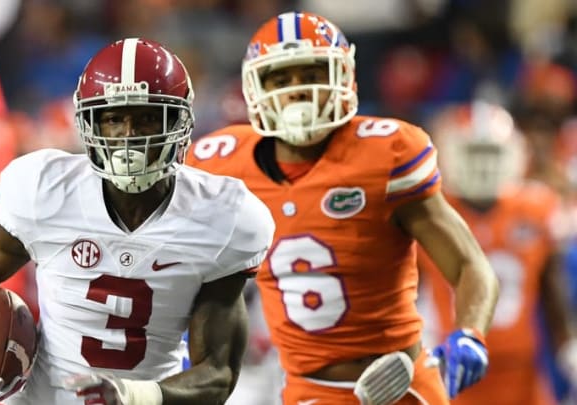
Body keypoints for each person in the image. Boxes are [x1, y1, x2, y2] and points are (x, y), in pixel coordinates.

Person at [0, 37, 275, 405]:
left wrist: (132, 396)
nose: (129, 136)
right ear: (90, 122)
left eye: (147, 118)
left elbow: (218, 373)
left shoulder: (220, 217)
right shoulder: (47, 191)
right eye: (114, 118)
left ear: (180, 121)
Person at [186, 11, 499, 405]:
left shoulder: (387, 152)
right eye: (281, 79)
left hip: (404, 387)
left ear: (343, 76)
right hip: (305, 391)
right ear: (255, 88)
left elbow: (471, 265)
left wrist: (469, 335)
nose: (297, 91)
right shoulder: (221, 165)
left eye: (311, 74)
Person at [418, 101, 577, 405]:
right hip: (453, 371)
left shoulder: (536, 208)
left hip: (523, 373)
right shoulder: (430, 212)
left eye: (490, 153)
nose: (482, 165)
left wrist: (568, 347)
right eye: (474, 153)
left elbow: (552, 291)